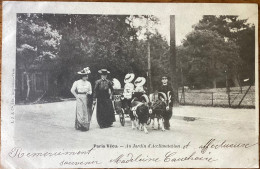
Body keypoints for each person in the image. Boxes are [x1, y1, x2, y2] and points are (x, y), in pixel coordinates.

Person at [70, 67, 92, 131]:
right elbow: (72, 90)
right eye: (85, 76)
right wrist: (76, 96)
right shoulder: (77, 82)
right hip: (79, 96)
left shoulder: (88, 83)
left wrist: (88, 93)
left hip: (85, 97)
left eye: (87, 76)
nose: (86, 77)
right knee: (80, 110)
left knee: (85, 110)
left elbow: (90, 91)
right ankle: (80, 125)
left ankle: (85, 125)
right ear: (82, 76)